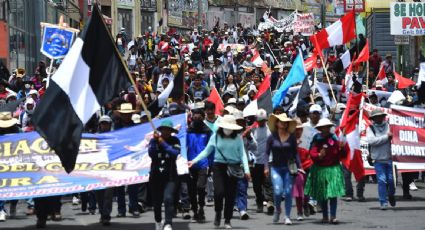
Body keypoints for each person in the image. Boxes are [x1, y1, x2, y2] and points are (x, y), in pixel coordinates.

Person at [188, 115, 250, 229]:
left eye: (230, 127)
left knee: (230, 195)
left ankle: (227, 220)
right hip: (218, 167)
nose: (228, 129)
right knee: (219, 192)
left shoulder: (238, 138)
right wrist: (194, 161)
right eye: (226, 127)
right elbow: (206, 151)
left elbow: (243, 155)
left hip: (234, 167)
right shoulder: (215, 137)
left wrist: (247, 170)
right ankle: (218, 213)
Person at [304, 118, 346, 224]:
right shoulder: (316, 139)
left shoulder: (334, 138)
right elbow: (312, 152)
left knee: (332, 194)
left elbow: (342, 155)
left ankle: (333, 216)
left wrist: (342, 148)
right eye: (324, 127)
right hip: (320, 169)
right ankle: (325, 216)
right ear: (320, 128)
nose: (326, 129)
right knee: (323, 194)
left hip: (333, 169)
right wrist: (319, 155)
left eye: (327, 127)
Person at [264, 113, 300, 225]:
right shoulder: (271, 137)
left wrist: (300, 167)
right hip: (275, 168)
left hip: (289, 168)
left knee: (288, 191)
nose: (283, 123)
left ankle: (287, 216)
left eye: (285, 122)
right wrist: (266, 167)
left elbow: (295, 153)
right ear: (277, 123)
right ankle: (277, 209)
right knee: (278, 191)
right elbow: (266, 153)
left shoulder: (292, 137)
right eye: (281, 121)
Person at [149, 119, 181, 230]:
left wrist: (163, 143)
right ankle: (158, 221)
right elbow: (151, 154)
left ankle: (168, 223)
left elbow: (174, 153)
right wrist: (156, 141)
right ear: (160, 130)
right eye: (163, 130)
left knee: (168, 198)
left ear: (171, 131)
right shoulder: (153, 141)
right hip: (155, 176)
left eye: (168, 130)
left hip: (171, 177)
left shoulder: (175, 140)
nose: (165, 132)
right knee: (157, 203)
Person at [366, 109, 396, 210]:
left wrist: (388, 138)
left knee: (392, 181)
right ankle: (383, 202)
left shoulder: (389, 126)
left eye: (380, 116)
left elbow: (395, 138)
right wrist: (386, 138)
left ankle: (391, 194)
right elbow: (372, 141)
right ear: (373, 118)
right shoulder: (370, 128)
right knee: (382, 181)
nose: (378, 118)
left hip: (390, 158)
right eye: (376, 116)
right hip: (378, 160)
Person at [186, 108, 211, 223]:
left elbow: (211, 149)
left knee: (201, 187)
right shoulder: (188, 131)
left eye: (199, 117)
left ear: (203, 118)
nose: (196, 119)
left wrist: (211, 164)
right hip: (190, 165)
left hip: (203, 164)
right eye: (194, 117)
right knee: (191, 190)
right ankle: (195, 210)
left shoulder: (207, 131)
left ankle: (201, 207)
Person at [95, 115, 115, 226]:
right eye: (103, 123)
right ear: (99, 125)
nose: (104, 125)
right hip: (98, 170)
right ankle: (102, 213)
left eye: (106, 123)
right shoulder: (94, 137)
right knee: (99, 194)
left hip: (110, 170)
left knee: (108, 194)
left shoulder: (114, 137)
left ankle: (106, 215)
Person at [250, 109, 270, 213]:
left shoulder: (270, 129)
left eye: (263, 120)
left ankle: (270, 202)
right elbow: (249, 145)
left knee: (268, 184)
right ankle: (259, 201)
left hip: (267, 161)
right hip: (256, 162)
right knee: (256, 185)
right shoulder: (252, 130)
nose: (262, 122)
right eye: (259, 120)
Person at [293, 119, 313, 220]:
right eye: (296, 129)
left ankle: (305, 204)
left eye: (300, 129)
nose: (298, 131)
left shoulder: (306, 137)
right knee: (298, 190)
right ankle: (299, 211)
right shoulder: (289, 140)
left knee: (306, 190)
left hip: (307, 166)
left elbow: (311, 151)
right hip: (295, 168)